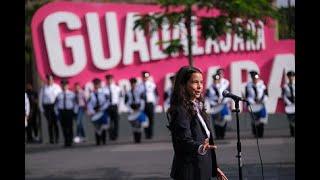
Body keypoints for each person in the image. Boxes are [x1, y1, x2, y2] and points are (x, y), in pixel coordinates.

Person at [167, 66, 228, 180]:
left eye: (201, 82)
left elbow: (206, 139)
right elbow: (184, 141)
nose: (200, 86)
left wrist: (214, 167)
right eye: (195, 82)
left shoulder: (198, 105)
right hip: (189, 171)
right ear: (183, 85)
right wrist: (200, 147)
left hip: (202, 167)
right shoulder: (180, 109)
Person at [206, 73, 232, 139]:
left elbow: (227, 96)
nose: (216, 81)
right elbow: (207, 98)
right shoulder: (210, 88)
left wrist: (222, 101)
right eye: (215, 80)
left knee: (224, 120)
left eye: (217, 80)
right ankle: (217, 135)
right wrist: (214, 103)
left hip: (222, 105)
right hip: (214, 106)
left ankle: (222, 134)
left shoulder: (223, 86)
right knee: (216, 121)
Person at [39, 74, 62, 144]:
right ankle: (51, 139)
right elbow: (40, 99)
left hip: (55, 106)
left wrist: (59, 107)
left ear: (53, 80)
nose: (50, 81)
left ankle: (57, 138)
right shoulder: (44, 88)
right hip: (47, 107)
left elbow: (60, 97)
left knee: (55, 123)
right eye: (48, 79)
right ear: (47, 80)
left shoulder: (57, 87)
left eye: (51, 79)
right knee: (49, 123)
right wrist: (42, 109)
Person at [125, 78, 149, 143]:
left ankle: (139, 138)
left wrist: (140, 109)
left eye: (134, 83)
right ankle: (135, 138)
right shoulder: (128, 93)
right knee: (134, 125)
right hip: (132, 110)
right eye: (131, 84)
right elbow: (126, 103)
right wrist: (130, 110)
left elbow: (143, 101)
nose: (133, 85)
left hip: (139, 109)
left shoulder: (140, 92)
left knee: (139, 124)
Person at [245, 71, 268, 138]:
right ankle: (255, 133)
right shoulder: (248, 86)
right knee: (254, 120)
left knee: (262, 120)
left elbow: (266, 95)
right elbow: (247, 96)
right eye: (253, 78)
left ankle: (261, 133)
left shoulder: (262, 85)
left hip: (261, 104)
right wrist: (252, 102)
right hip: (253, 104)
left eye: (256, 78)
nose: (255, 80)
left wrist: (261, 100)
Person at [87, 78, 110, 145]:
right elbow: (89, 104)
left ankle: (104, 140)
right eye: (95, 84)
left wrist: (102, 108)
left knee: (103, 126)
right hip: (95, 112)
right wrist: (92, 111)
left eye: (98, 84)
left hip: (102, 111)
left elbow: (107, 102)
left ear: (100, 84)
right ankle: (98, 141)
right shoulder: (91, 94)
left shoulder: (103, 93)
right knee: (97, 127)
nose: (96, 85)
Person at [54, 79, 77, 147]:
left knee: (69, 126)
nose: (64, 86)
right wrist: (57, 112)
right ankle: (66, 141)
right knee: (63, 127)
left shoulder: (72, 94)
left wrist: (75, 112)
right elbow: (56, 104)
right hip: (62, 111)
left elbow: (75, 103)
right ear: (61, 86)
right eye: (63, 85)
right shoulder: (59, 95)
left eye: (65, 85)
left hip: (69, 111)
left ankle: (70, 140)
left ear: (68, 86)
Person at [138, 71, 158, 139]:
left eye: (146, 77)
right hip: (143, 105)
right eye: (144, 77)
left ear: (148, 77)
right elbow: (138, 96)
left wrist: (155, 103)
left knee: (151, 119)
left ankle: (151, 133)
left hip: (150, 103)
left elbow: (156, 95)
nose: (145, 78)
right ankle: (146, 133)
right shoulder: (139, 86)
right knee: (144, 120)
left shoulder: (152, 85)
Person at [103, 74, 121, 141]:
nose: (109, 81)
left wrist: (120, 107)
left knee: (116, 122)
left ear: (112, 79)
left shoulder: (117, 88)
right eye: (108, 79)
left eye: (110, 79)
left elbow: (120, 98)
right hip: (107, 107)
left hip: (115, 106)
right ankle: (111, 135)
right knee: (108, 122)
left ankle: (115, 135)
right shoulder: (104, 89)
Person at [282, 71, 295, 137]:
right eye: (289, 76)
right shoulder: (285, 86)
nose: (291, 78)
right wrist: (289, 102)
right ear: (288, 77)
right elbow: (283, 96)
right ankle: (292, 132)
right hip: (289, 104)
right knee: (291, 119)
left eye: (292, 76)